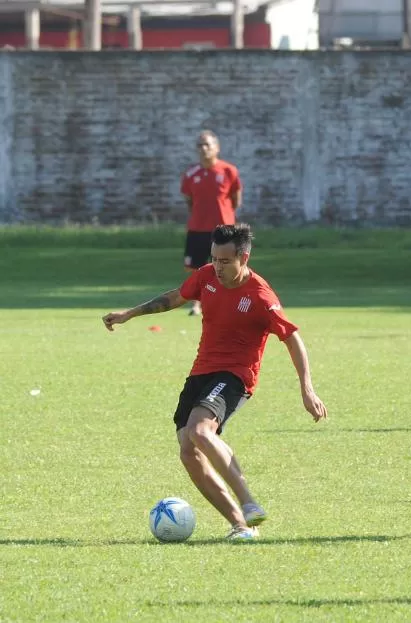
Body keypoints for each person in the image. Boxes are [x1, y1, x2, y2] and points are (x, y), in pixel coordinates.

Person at [102, 224, 327, 540]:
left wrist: (307, 389)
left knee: (200, 431)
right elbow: (175, 297)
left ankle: (248, 501)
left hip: (236, 375)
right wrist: (130, 313)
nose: (217, 267)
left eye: (225, 261)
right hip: (200, 372)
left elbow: (292, 338)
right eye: (214, 259)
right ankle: (240, 525)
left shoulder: (260, 295)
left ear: (243, 257)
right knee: (187, 450)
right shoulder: (206, 276)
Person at [181, 130, 243, 316]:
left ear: (217, 148)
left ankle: (231, 302)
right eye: (200, 145)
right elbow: (189, 200)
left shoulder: (228, 171)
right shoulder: (191, 173)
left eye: (207, 145)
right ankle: (196, 305)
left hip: (224, 229)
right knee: (196, 269)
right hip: (198, 228)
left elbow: (236, 199)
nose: (203, 149)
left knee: (228, 265)